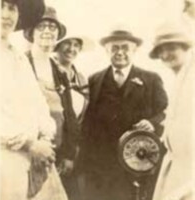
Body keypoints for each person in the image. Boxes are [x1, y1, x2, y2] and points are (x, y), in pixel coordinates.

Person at [80, 29, 168, 200]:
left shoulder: (151, 79)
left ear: (134, 50)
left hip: (137, 161)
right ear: (107, 51)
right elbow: (87, 119)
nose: (120, 52)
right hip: (101, 164)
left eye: (125, 48)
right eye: (114, 48)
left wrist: (152, 123)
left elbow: (165, 112)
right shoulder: (94, 80)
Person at [0, 1, 59, 200]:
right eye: (1, 6)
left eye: (13, 8)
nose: (7, 15)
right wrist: (29, 143)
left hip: (27, 161)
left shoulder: (19, 58)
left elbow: (38, 102)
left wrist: (45, 139)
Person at [150, 24, 195, 200]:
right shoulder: (177, 80)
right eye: (161, 50)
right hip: (175, 163)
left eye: (171, 48)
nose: (165, 55)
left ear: (185, 47)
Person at [24, 6, 66, 151]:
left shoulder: (60, 71)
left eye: (53, 27)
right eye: (41, 27)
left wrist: (69, 154)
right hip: (29, 146)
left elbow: (69, 113)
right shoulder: (21, 63)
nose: (47, 31)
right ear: (32, 33)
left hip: (57, 147)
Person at [53, 35, 90, 200]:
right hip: (54, 146)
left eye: (76, 45)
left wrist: (73, 152)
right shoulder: (48, 71)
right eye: (67, 43)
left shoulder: (81, 78)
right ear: (57, 45)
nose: (71, 48)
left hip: (74, 150)